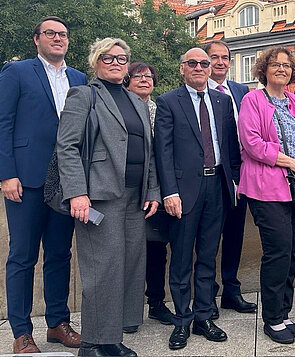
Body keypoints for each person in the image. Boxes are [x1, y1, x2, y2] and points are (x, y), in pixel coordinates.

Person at [57, 37, 160, 356]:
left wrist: (153, 189)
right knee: (102, 270)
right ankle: (93, 344)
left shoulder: (136, 102)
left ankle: (113, 335)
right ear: (96, 61)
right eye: (109, 58)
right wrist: (77, 192)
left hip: (134, 196)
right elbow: (67, 146)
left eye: (122, 58)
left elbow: (149, 152)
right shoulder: (84, 95)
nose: (116, 63)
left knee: (129, 266)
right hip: (99, 196)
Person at [0, 16, 86, 353]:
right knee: (22, 256)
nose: (58, 39)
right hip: (26, 179)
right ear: (36, 39)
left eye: (63, 34)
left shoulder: (78, 77)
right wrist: (6, 173)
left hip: (66, 181)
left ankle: (57, 324)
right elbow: (2, 124)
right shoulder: (17, 72)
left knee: (60, 254)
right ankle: (21, 331)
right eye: (50, 33)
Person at [154, 48, 241, 349]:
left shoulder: (222, 101)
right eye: (193, 63)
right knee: (181, 259)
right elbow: (162, 152)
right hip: (184, 190)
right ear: (182, 69)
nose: (200, 68)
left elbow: (230, 146)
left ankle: (204, 315)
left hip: (217, 186)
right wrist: (169, 192)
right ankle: (182, 320)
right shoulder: (168, 102)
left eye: (204, 63)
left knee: (207, 256)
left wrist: (236, 182)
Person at [237, 46, 295, 344]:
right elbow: (252, 144)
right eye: (275, 65)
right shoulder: (252, 100)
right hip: (266, 188)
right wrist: (293, 162)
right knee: (278, 251)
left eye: (286, 65)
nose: (281, 69)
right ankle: (271, 318)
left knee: (293, 250)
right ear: (264, 69)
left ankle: (284, 313)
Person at [203, 40, 256, 316]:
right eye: (214, 57)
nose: (220, 62)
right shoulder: (200, 92)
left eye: (225, 57)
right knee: (210, 238)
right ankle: (208, 295)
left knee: (235, 234)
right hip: (213, 175)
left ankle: (231, 291)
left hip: (241, 172)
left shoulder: (241, 91)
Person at [124, 62, 175, 326]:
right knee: (128, 252)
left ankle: (156, 302)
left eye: (149, 76)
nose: (144, 79)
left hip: (157, 190)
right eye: (138, 76)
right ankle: (127, 308)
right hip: (127, 190)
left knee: (156, 249)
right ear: (127, 80)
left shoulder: (160, 108)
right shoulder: (121, 107)